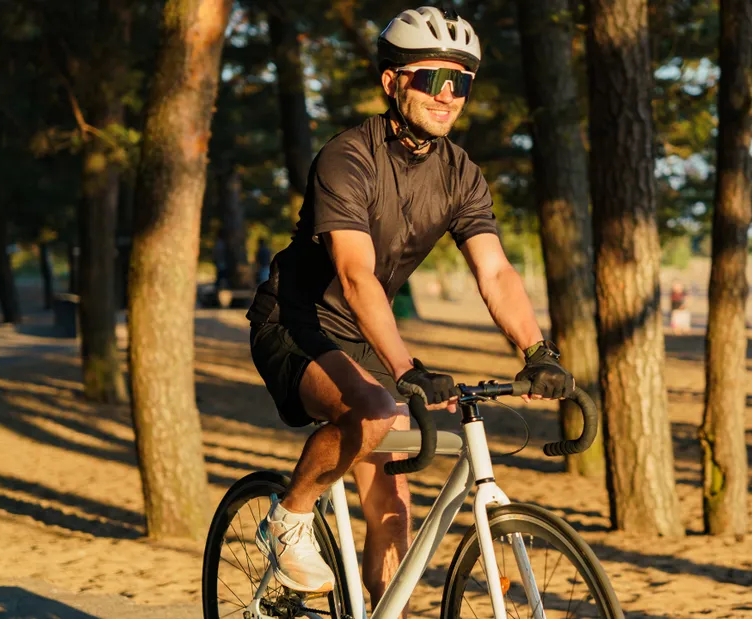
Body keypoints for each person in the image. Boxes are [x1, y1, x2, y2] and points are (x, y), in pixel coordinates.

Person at [243, 6, 574, 609]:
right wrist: (403, 368)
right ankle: (288, 518)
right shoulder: (348, 158)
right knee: (373, 412)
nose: (448, 95)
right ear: (391, 81)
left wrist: (536, 350)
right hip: (297, 322)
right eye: (432, 78)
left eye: (461, 82)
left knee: (393, 507)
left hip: (367, 333)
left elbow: (495, 271)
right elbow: (355, 274)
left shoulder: (460, 173)